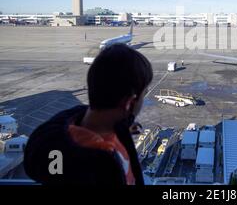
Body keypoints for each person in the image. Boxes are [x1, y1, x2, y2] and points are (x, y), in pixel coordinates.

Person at [24, 44, 153, 185]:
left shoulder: (68, 127)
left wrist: (124, 127)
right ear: (129, 103)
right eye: (144, 94)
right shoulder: (99, 169)